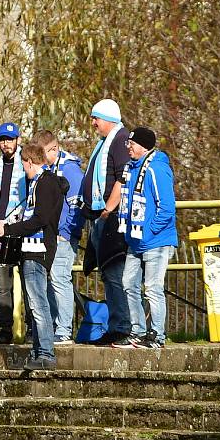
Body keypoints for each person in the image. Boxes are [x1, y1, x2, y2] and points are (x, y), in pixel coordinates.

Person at [0, 142, 67, 370]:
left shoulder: (45, 183)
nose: (23, 170)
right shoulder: (37, 184)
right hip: (29, 250)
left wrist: (9, 230)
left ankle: (46, 354)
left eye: (24, 165)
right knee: (34, 304)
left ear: (30, 161)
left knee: (39, 305)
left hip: (37, 251)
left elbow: (40, 219)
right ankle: (38, 351)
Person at [112, 127, 177, 349]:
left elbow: (167, 209)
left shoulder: (157, 169)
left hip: (156, 240)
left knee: (152, 288)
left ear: (143, 146)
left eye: (132, 144)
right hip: (136, 241)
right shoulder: (131, 169)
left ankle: (157, 334)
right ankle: (137, 331)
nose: (128, 147)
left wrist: (149, 230)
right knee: (128, 283)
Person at [80, 99, 131, 345]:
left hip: (110, 218)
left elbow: (123, 178)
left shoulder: (119, 141)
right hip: (101, 217)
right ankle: (116, 324)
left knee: (115, 273)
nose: (93, 124)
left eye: (95, 118)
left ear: (107, 118)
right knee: (108, 274)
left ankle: (121, 327)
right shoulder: (105, 142)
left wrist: (108, 209)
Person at [31, 129, 84, 345]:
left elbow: (77, 207)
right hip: (49, 236)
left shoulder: (70, 171)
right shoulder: (50, 169)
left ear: (54, 149)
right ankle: (54, 326)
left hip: (62, 236)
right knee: (51, 282)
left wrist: (65, 233)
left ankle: (63, 329)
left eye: (42, 154)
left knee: (61, 280)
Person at [0, 122, 31, 346]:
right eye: (2, 140)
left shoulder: (26, 165)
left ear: (18, 140)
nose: (6, 144)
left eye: (10, 139)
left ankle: (32, 328)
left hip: (21, 230)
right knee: (3, 286)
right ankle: (5, 329)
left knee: (30, 282)